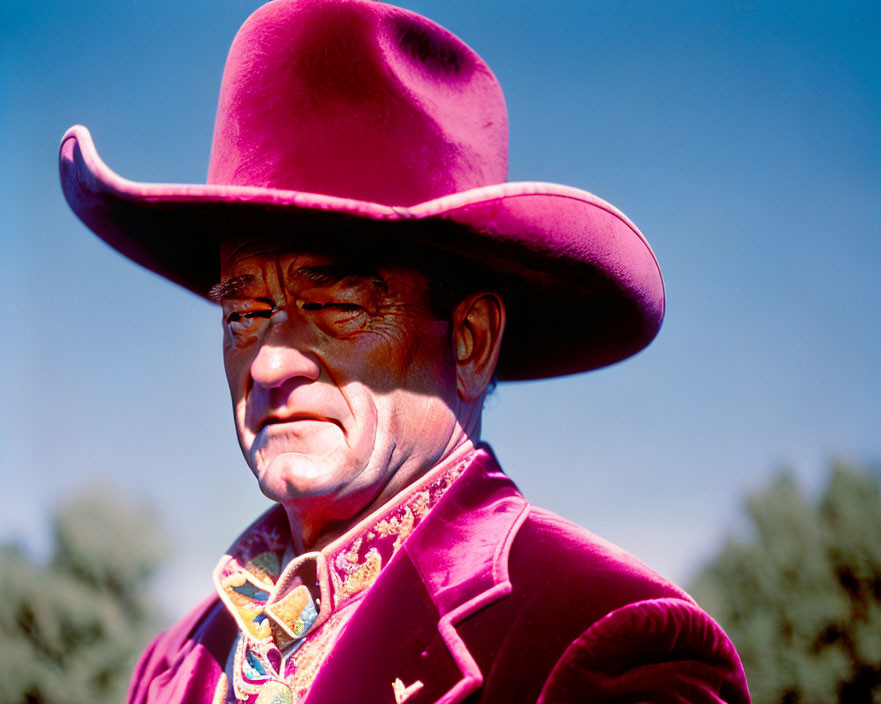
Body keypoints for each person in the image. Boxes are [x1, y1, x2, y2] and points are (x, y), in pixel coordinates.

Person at [59, 1, 751, 702]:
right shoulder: (173, 666)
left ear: (472, 341)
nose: (269, 364)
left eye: (334, 305)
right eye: (244, 313)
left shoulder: (608, 641)